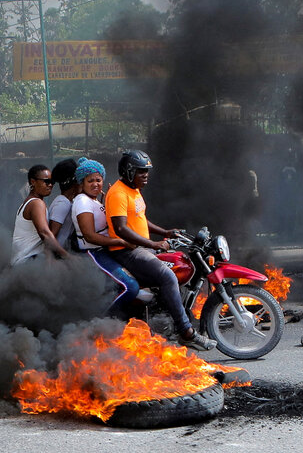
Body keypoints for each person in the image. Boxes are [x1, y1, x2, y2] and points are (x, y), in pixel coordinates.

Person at [105, 150, 217, 351]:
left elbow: (140, 219)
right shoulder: (118, 193)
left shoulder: (133, 190)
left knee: (177, 264)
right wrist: (154, 244)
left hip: (140, 248)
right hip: (126, 251)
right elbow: (121, 228)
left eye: (147, 171)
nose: (146, 175)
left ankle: (168, 317)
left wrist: (165, 232)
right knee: (168, 277)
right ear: (129, 172)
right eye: (141, 171)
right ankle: (186, 332)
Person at [70, 159, 138, 319]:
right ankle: (103, 322)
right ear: (82, 182)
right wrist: (121, 241)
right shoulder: (82, 201)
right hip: (94, 253)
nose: (95, 184)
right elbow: (90, 235)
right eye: (90, 180)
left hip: (105, 251)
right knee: (131, 287)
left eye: (98, 180)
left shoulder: (93, 200)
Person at [11, 164, 69, 265]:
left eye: (52, 182)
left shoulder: (30, 202)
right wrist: (68, 257)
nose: (50, 185)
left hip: (25, 262)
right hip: (28, 262)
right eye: (46, 181)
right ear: (33, 182)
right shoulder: (36, 203)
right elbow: (45, 233)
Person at [48, 158, 81, 252]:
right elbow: (51, 236)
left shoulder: (70, 202)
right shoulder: (63, 204)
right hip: (57, 254)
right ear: (75, 182)